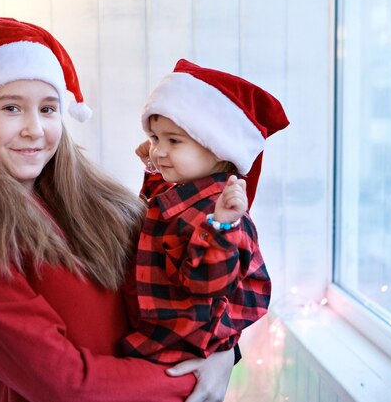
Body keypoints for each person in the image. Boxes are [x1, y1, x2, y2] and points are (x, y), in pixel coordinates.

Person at [0, 18, 235, 402]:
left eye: (48, 109)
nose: (35, 129)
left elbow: (186, 281)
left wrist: (225, 352)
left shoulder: (95, 201)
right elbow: (64, 384)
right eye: (12, 108)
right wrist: (194, 379)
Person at [121, 59, 289, 364]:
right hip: (159, 322)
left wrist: (221, 226)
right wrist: (154, 168)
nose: (159, 150)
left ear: (217, 148)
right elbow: (155, 210)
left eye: (174, 141)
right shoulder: (185, 187)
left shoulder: (222, 213)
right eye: (155, 138)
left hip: (187, 337)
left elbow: (209, 282)